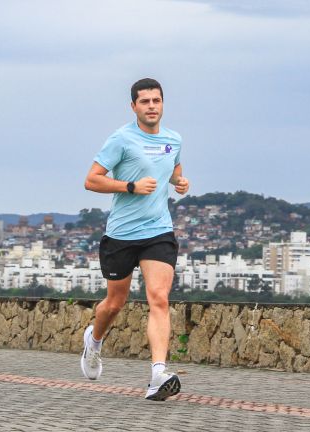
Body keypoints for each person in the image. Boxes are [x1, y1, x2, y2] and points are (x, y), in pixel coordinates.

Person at [81, 78, 190, 401]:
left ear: (163, 104)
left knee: (159, 297)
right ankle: (94, 341)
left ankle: (158, 373)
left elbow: (172, 170)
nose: (152, 106)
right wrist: (129, 186)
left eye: (157, 100)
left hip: (158, 232)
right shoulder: (121, 139)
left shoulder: (174, 139)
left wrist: (180, 182)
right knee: (114, 304)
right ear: (134, 107)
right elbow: (91, 180)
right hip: (122, 235)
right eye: (145, 102)